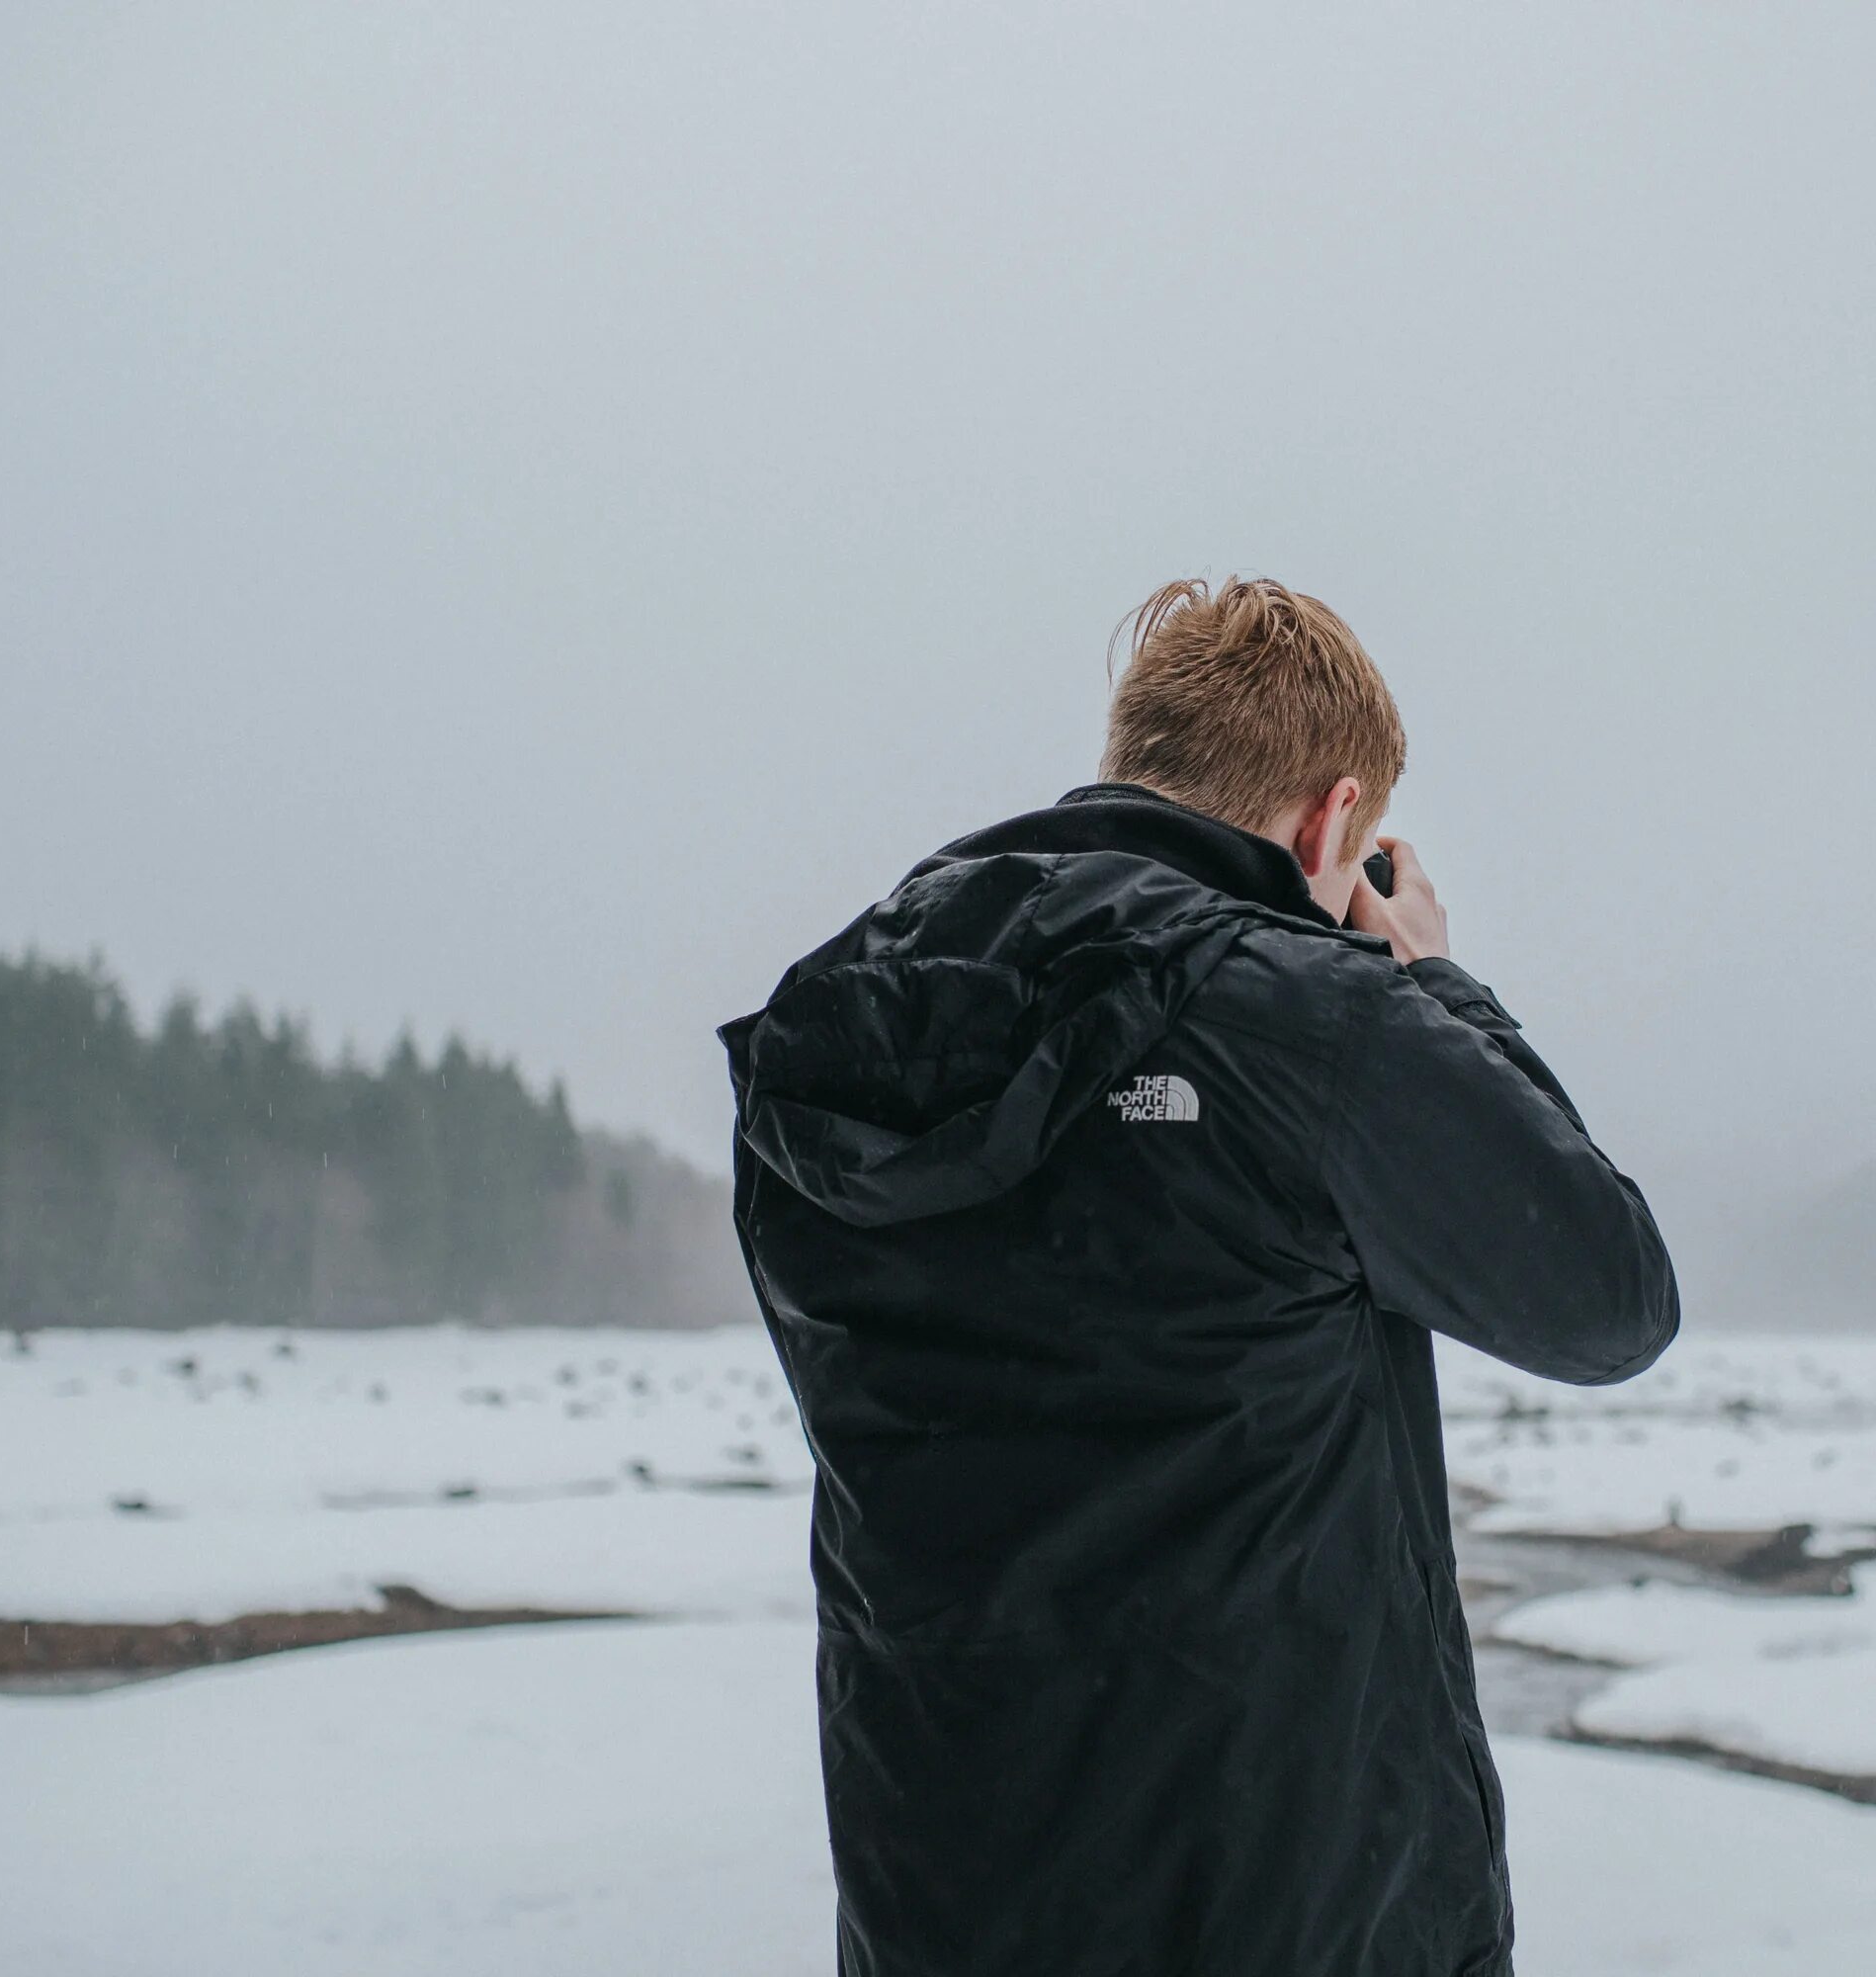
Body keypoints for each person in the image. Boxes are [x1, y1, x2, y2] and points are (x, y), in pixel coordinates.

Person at [718, 575, 1680, 1977]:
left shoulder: (835, 1042)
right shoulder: (1311, 1021)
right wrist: (1432, 988)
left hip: (939, 1906)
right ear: (1332, 819)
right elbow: (1609, 1297)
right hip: (1281, 1912)